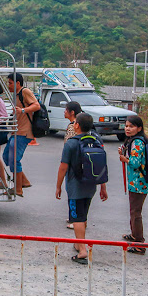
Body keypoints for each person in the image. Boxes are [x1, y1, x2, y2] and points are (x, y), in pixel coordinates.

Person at [56, 112, 108, 264]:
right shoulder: (96, 140)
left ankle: (83, 251)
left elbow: (63, 167)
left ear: (77, 125)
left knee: (76, 216)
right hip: (91, 185)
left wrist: (58, 186)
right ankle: (79, 243)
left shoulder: (71, 143)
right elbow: (100, 165)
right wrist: (103, 187)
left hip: (75, 185)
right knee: (83, 214)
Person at [118, 115, 148, 253]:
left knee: (135, 212)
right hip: (137, 181)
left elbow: (134, 163)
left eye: (131, 126)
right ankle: (134, 234)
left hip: (139, 182)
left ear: (139, 128)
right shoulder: (134, 141)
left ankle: (139, 243)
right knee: (134, 209)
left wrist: (124, 158)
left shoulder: (137, 143)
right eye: (126, 126)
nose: (127, 128)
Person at [2, 72, 37, 196]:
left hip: (24, 132)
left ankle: (18, 189)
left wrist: (23, 110)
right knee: (6, 156)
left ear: (18, 83)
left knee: (14, 160)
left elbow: (36, 105)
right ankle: (24, 181)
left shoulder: (25, 92)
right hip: (16, 131)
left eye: (10, 83)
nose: (8, 85)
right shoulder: (16, 95)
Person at [63, 101, 83, 228]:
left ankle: (74, 219)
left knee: (72, 191)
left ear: (72, 112)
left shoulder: (73, 127)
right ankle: (74, 217)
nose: (64, 112)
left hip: (73, 163)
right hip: (80, 162)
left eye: (66, 110)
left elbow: (68, 145)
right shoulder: (82, 124)